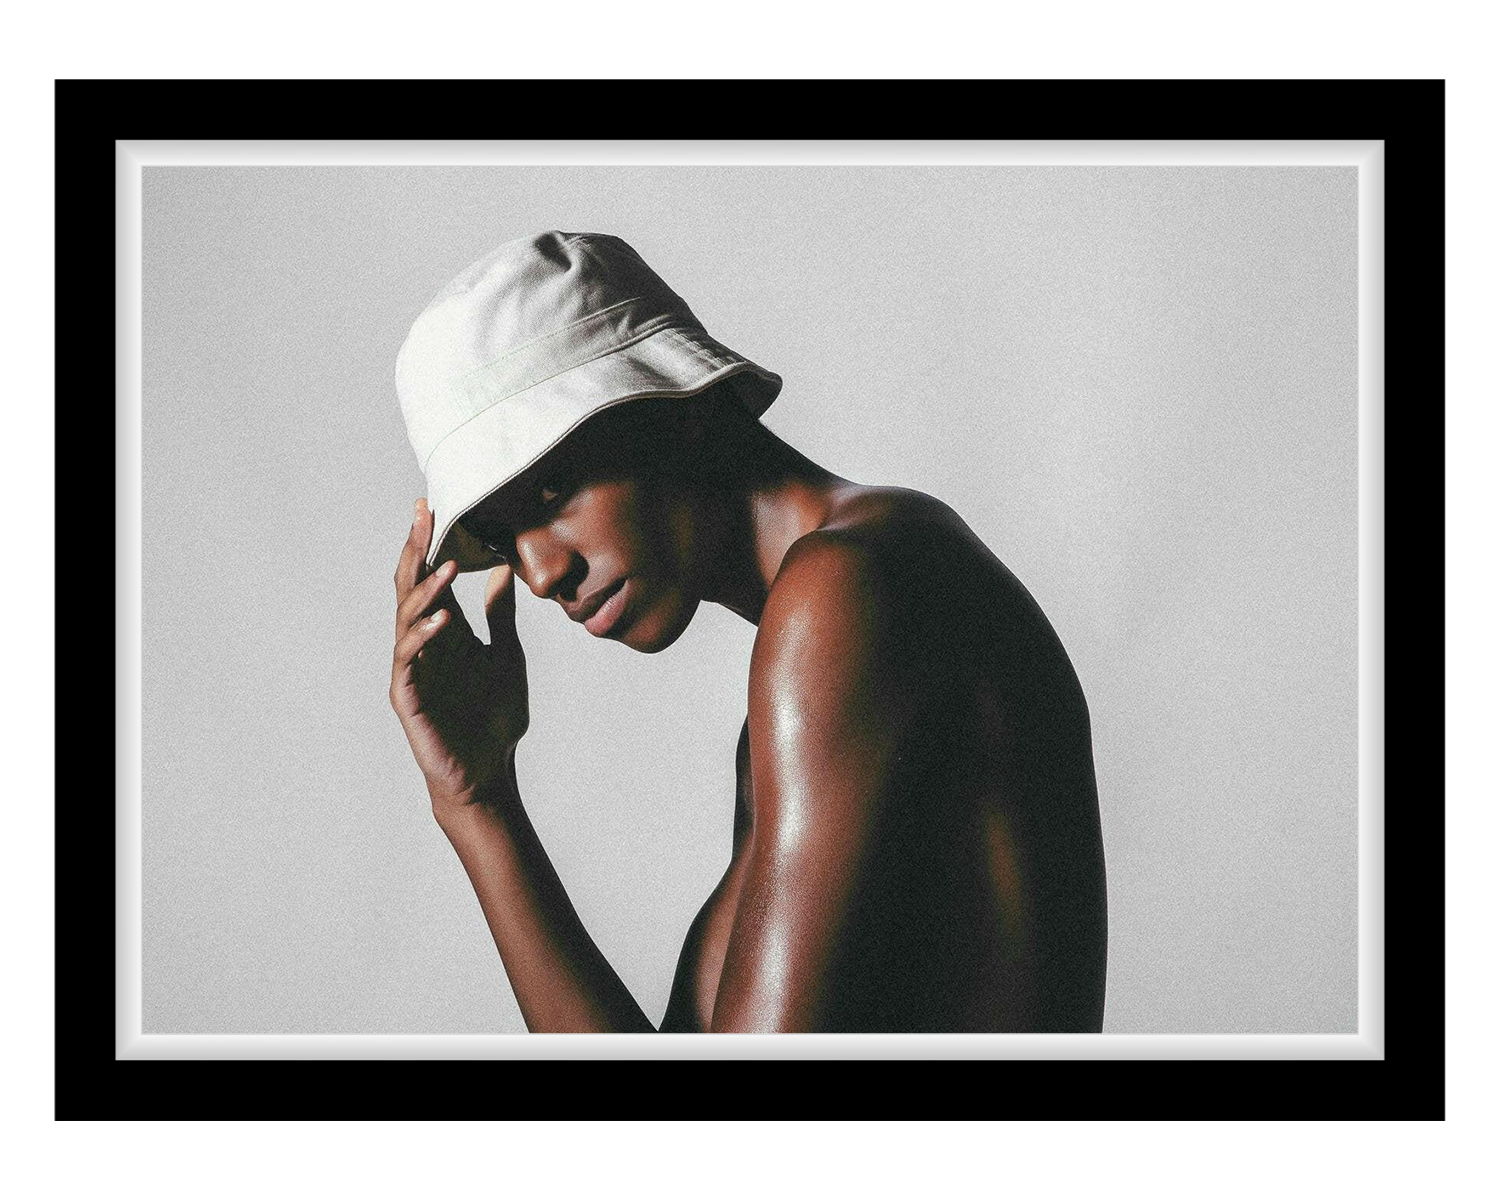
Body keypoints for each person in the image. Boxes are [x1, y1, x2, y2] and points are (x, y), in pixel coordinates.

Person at [389, 231, 1106, 1032]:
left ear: (680, 409)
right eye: (499, 538)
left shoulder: (847, 594)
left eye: (552, 489)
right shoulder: (857, 594)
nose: (541, 571)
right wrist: (479, 806)